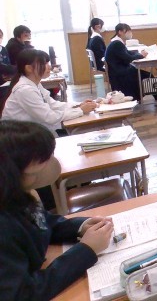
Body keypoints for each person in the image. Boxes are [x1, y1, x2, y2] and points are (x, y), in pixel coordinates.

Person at [0, 120, 114, 299]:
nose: (48, 164)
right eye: (40, 161)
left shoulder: (19, 194)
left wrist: (80, 227)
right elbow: (23, 294)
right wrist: (86, 249)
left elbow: (44, 223)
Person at [1, 49, 96, 133]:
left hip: (30, 130)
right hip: (17, 137)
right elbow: (49, 117)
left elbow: (53, 104)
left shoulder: (35, 83)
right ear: (29, 68)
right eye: (44, 64)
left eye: (47, 63)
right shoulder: (25, 90)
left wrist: (78, 105)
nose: (49, 67)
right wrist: (80, 110)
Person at [104, 23, 149, 101]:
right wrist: (141, 55)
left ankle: (148, 96)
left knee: (143, 73)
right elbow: (128, 58)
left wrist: (138, 53)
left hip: (119, 70)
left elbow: (127, 53)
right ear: (120, 32)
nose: (130, 33)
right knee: (147, 75)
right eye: (127, 31)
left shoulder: (117, 42)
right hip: (121, 73)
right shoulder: (117, 43)